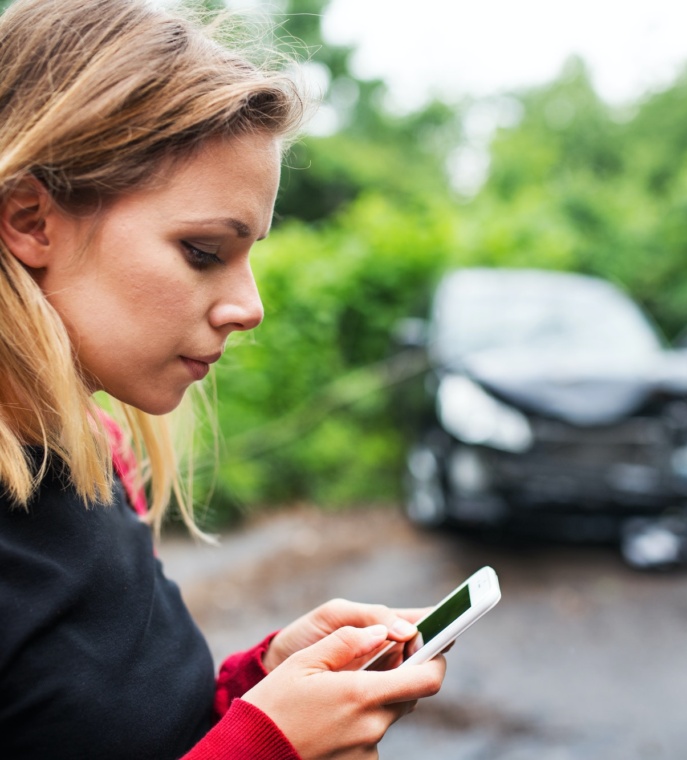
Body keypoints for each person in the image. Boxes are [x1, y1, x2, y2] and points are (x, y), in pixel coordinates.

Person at [0, 1, 447, 758]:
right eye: (205, 252)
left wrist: (258, 685)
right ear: (31, 219)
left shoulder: (94, 450)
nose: (251, 307)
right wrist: (269, 747)